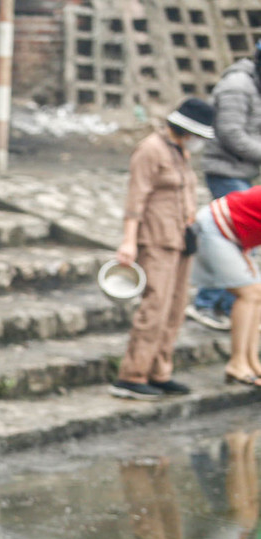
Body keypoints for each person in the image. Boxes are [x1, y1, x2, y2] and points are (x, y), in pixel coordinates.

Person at [109, 97, 214, 401]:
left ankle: (159, 371)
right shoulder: (150, 150)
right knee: (154, 307)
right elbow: (136, 199)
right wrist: (129, 241)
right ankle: (132, 374)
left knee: (175, 307)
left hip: (180, 239)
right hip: (155, 239)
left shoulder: (179, 150)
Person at [192, 40, 261, 330]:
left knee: (238, 242)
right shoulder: (237, 86)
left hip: (243, 170)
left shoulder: (254, 84)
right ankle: (206, 304)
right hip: (225, 170)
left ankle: (228, 306)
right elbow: (231, 133)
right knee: (231, 239)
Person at [190, 183, 261, 386]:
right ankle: (237, 362)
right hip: (215, 227)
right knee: (249, 293)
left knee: (256, 293)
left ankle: (252, 361)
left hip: (234, 234)